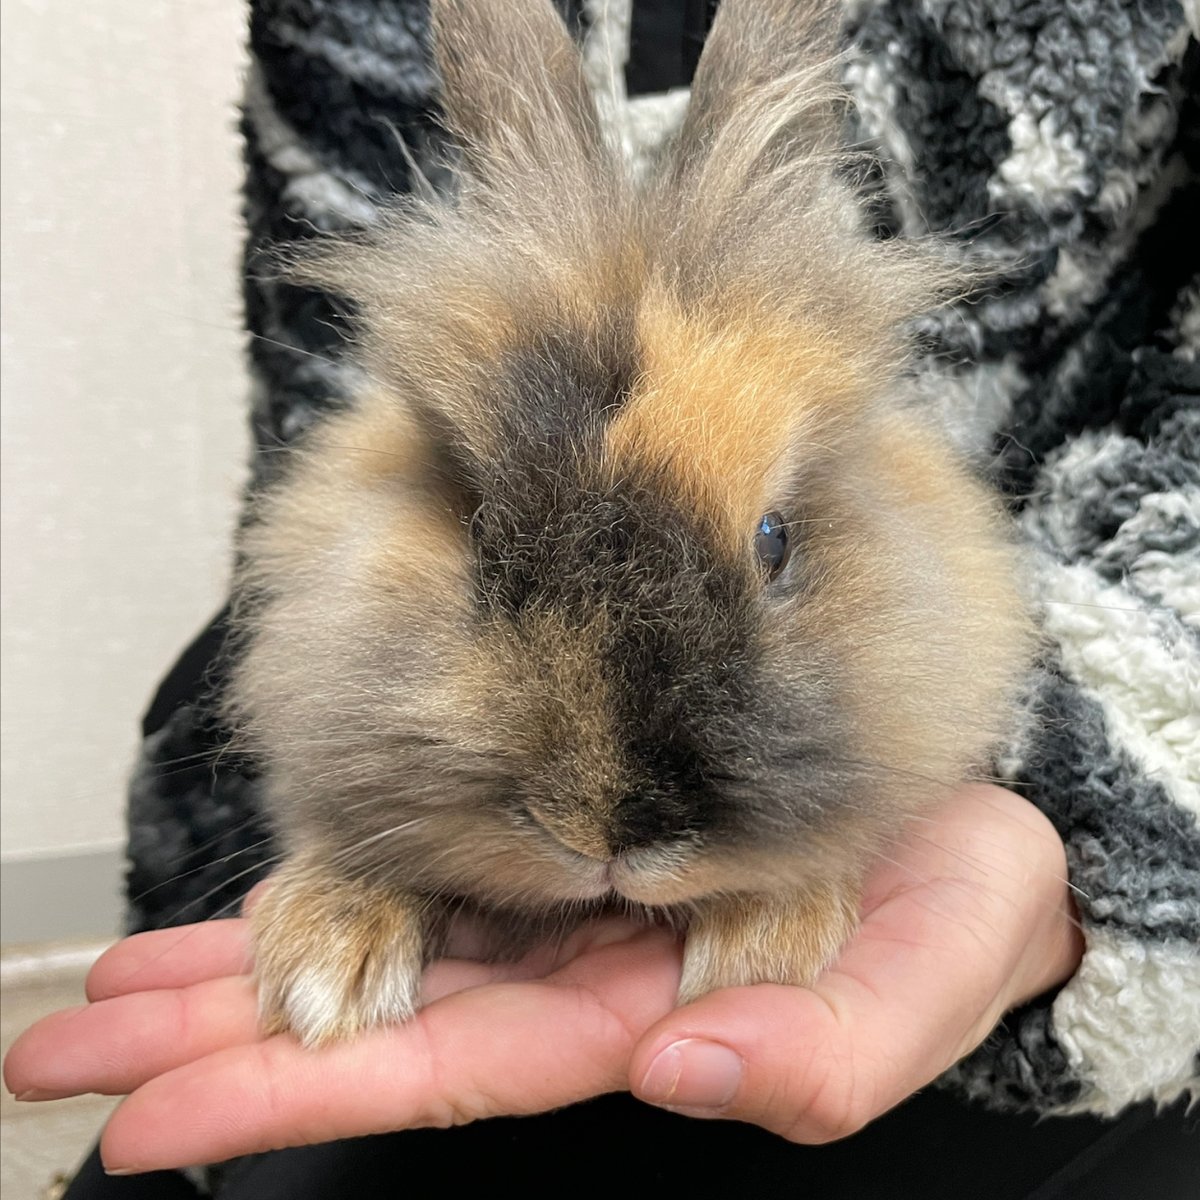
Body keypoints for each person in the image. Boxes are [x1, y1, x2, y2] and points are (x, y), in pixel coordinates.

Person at [6, 1, 1199, 1195]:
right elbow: (313, 506)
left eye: (771, 543)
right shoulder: (356, 85)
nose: (602, 817)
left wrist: (1091, 842)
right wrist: (361, 851)